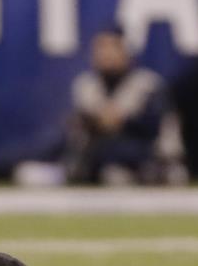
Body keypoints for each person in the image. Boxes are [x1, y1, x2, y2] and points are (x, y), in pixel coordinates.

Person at [63, 25, 187, 186]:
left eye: (112, 47)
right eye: (101, 48)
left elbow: (153, 126)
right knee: (87, 154)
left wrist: (122, 120)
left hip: (149, 154)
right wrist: (99, 121)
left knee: (124, 152)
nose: (106, 54)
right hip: (105, 154)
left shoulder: (147, 84)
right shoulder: (86, 85)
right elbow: (81, 125)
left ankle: (147, 173)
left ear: (126, 52)